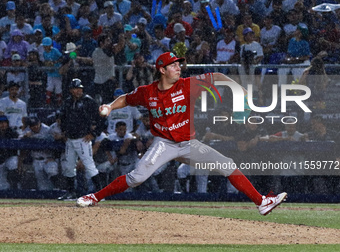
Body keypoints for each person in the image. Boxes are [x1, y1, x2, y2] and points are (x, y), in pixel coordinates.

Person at [77, 52, 287, 215]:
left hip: (188, 143)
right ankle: (95, 196)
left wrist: (236, 88)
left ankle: (261, 202)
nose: (179, 68)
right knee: (136, 178)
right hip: (163, 144)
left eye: (179, 64)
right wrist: (110, 107)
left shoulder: (188, 85)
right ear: (162, 70)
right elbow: (125, 98)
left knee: (227, 164)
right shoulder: (147, 92)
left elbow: (218, 77)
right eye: (174, 65)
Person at [58, 78, 105, 200]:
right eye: (76, 88)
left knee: (89, 166)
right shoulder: (68, 102)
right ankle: (71, 192)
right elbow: (62, 118)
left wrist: (93, 133)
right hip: (70, 139)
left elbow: (101, 118)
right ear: (71, 90)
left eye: (80, 88)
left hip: (83, 139)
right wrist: (64, 131)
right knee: (68, 166)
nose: (78, 91)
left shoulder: (88, 101)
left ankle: (101, 194)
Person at [22, 116, 59, 191]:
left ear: (40, 123)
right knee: (43, 188)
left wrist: (54, 157)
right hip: (36, 160)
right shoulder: (27, 130)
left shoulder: (48, 129)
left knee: (51, 170)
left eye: (36, 124)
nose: (35, 127)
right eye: (32, 125)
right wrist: (25, 137)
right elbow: (20, 140)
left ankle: (58, 188)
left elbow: (56, 143)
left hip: (48, 158)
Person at [0, 115, 20, 190]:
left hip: (10, 157)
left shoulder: (12, 132)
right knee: (2, 186)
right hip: (1, 159)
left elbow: (20, 145)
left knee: (13, 163)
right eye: (1, 123)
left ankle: (16, 187)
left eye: (4, 123)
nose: (3, 125)